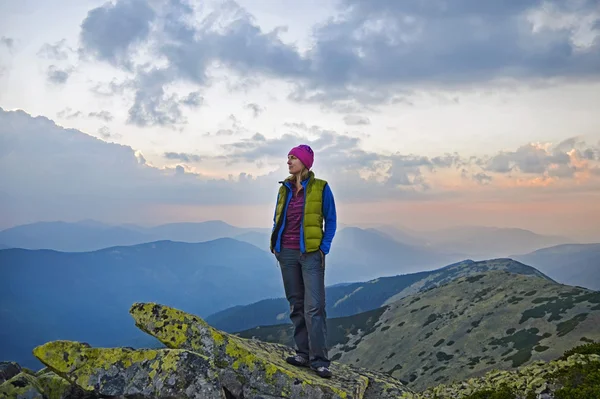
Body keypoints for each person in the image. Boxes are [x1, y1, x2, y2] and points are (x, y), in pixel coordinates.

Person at [270, 144, 337, 379]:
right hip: (286, 253)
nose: (288, 162)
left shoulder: (321, 188)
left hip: (310, 255)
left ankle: (320, 361)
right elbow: (278, 218)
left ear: (305, 162)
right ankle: (303, 353)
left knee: (314, 307)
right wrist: (276, 246)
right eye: (288, 157)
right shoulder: (284, 188)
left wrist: (323, 248)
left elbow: (331, 219)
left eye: (293, 158)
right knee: (296, 305)